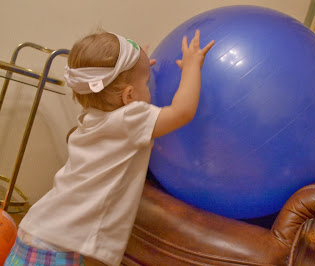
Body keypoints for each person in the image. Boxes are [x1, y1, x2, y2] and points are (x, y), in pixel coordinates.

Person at [5, 29, 214, 266]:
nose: (151, 87)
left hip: (39, 231)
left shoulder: (91, 117)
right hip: (58, 248)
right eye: (147, 83)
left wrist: (134, 75)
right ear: (128, 97)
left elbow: (111, 88)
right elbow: (182, 111)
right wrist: (191, 68)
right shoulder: (130, 119)